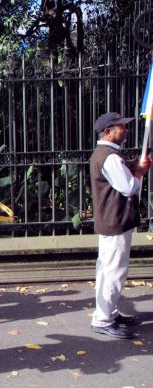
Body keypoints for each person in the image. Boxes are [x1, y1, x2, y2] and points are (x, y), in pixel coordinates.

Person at [89, 112, 149, 339]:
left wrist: (134, 167)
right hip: (115, 220)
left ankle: (109, 313)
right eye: (121, 127)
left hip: (112, 220)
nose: (125, 130)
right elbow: (128, 187)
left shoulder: (106, 154)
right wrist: (140, 173)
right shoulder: (110, 156)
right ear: (108, 132)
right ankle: (103, 319)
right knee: (113, 271)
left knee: (108, 269)